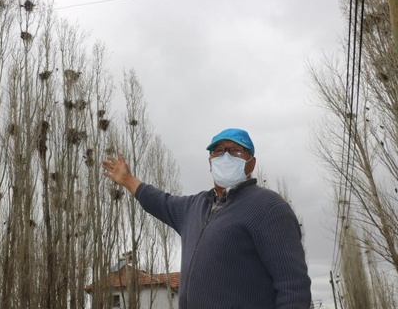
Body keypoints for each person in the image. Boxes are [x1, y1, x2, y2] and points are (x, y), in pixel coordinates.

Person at [101, 128, 312, 309]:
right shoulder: (195, 207)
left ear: (252, 162)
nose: (225, 157)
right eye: (218, 151)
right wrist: (128, 180)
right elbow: (161, 202)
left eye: (236, 151)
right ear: (210, 161)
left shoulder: (268, 207)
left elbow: (293, 285)